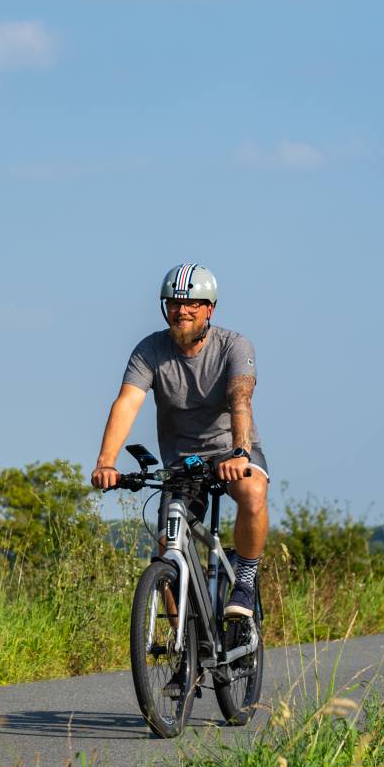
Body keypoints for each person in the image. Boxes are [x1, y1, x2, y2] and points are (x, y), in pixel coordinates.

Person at [89, 263, 270, 619]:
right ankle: (184, 661)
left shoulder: (234, 345)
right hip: (182, 463)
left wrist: (240, 452)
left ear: (209, 309)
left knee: (252, 492)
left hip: (232, 451)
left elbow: (240, 399)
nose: (182, 310)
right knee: (167, 550)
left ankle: (245, 580)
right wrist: (105, 461)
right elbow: (127, 402)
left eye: (192, 303)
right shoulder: (150, 351)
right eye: (174, 302)